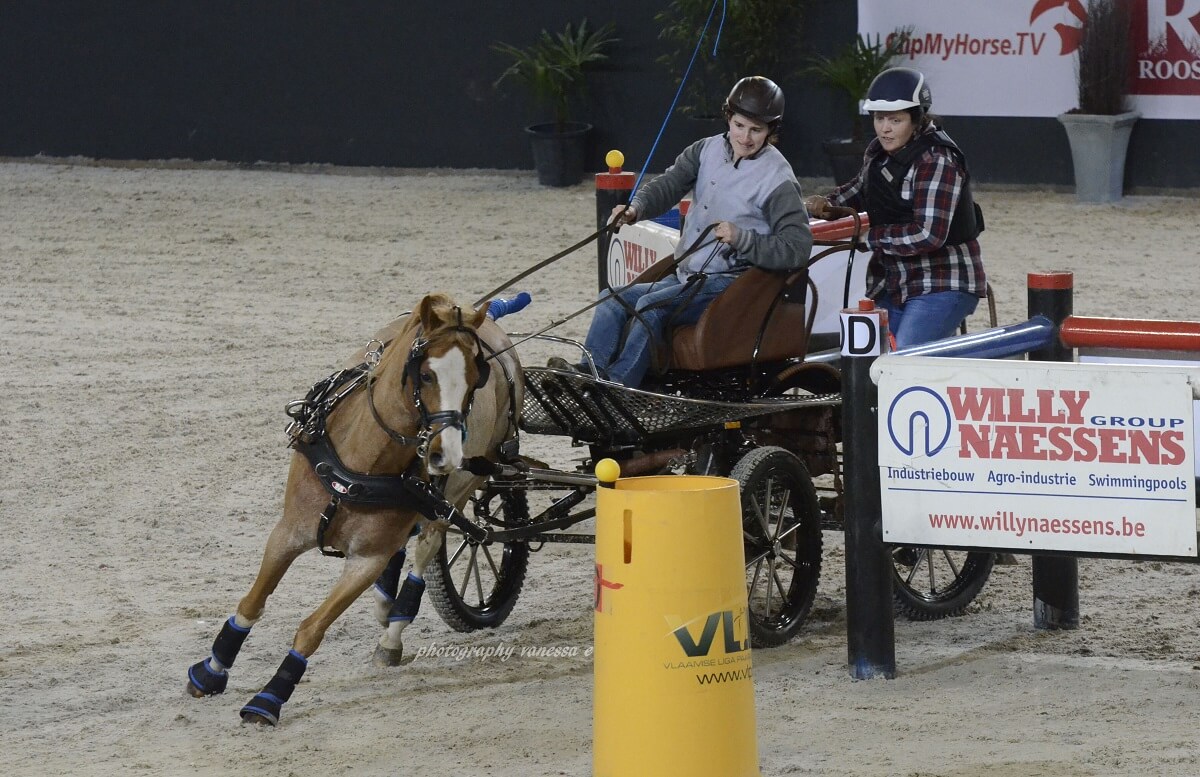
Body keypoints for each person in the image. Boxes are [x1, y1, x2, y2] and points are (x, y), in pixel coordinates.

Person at [551, 76, 813, 388]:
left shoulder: (777, 178)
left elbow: (797, 248)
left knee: (651, 307)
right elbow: (670, 184)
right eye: (739, 125)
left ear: (771, 130)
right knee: (611, 298)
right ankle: (587, 373)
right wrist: (635, 209)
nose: (745, 137)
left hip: (734, 284)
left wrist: (742, 238)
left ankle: (617, 384)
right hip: (688, 274)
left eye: (756, 130)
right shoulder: (705, 150)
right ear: (728, 117)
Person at [805, 67, 986, 350]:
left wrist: (870, 238)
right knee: (870, 353)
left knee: (904, 356)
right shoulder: (878, 152)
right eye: (879, 118)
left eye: (895, 120)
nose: (884, 128)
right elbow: (861, 189)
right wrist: (828, 205)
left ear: (917, 118)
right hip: (894, 282)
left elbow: (928, 235)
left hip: (942, 282)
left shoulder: (936, 160)